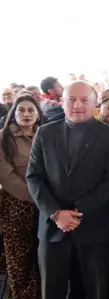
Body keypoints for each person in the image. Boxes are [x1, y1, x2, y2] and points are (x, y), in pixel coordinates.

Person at [27, 81, 109, 299]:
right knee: (52, 291)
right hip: (53, 229)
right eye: (71, 99)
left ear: (95, 103)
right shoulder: (45, 133)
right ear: (62, 102)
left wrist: (77, 211)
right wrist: (56, 213)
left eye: (84, 100)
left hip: (95, 228)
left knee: (95, 292)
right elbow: (34, 178)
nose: (77, 105)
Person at [0, 95, 43, 299]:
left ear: (38, 114)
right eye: (21, 110)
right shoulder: (3, 138)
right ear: (14, 114)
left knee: (41, 255)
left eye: (31, 110)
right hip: (16, 204)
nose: (26, 114)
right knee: (19, 258)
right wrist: (35, 196)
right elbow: (6, 175)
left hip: (46, 205)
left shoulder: (45, 135)